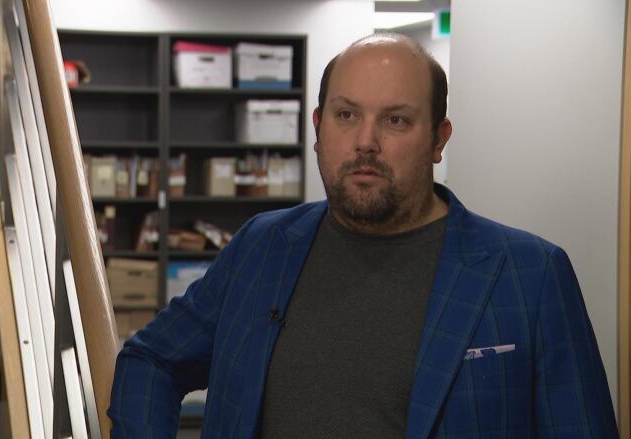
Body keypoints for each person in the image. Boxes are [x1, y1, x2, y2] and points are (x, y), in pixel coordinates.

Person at [108, 33, 619, 438]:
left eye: (395, 120)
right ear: (318, 126)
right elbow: (150, 360)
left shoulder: (529, 275)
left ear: (438, 139)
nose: (365, 142)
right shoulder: (262, 247)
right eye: (346, 115)